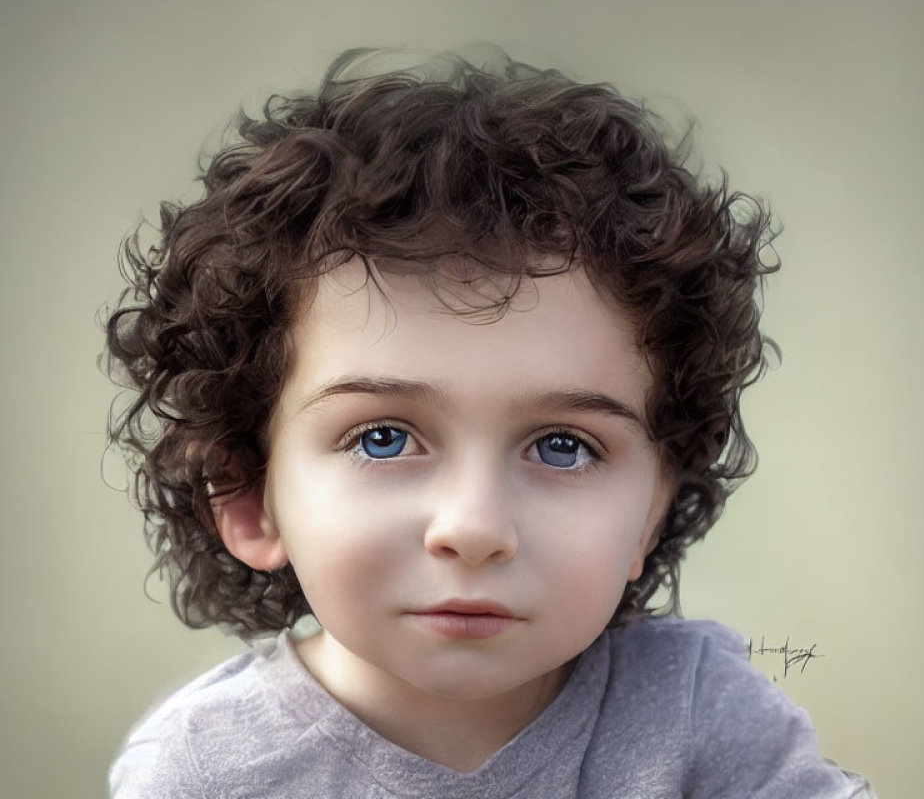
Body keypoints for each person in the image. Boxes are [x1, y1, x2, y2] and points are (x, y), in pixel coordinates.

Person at [104, 45, 875, 797]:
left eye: (563, 446)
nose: (474, 528)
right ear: (248, 495)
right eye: (384, 437)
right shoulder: (202, 773)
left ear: (651, 511)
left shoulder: (701, 714)